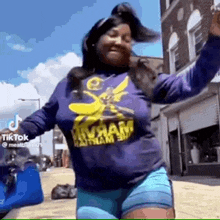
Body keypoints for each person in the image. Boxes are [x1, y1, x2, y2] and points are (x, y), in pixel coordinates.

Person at [1, 2, 220, 219]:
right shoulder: (68, 85)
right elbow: (40, 120)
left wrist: (215, 40)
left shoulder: (140, 77)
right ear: (94, 41)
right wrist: (12, 136)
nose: (120, 42)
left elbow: (190, 83)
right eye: (113, 35)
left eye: (127, 39)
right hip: (93, 194)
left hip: (144, 182)